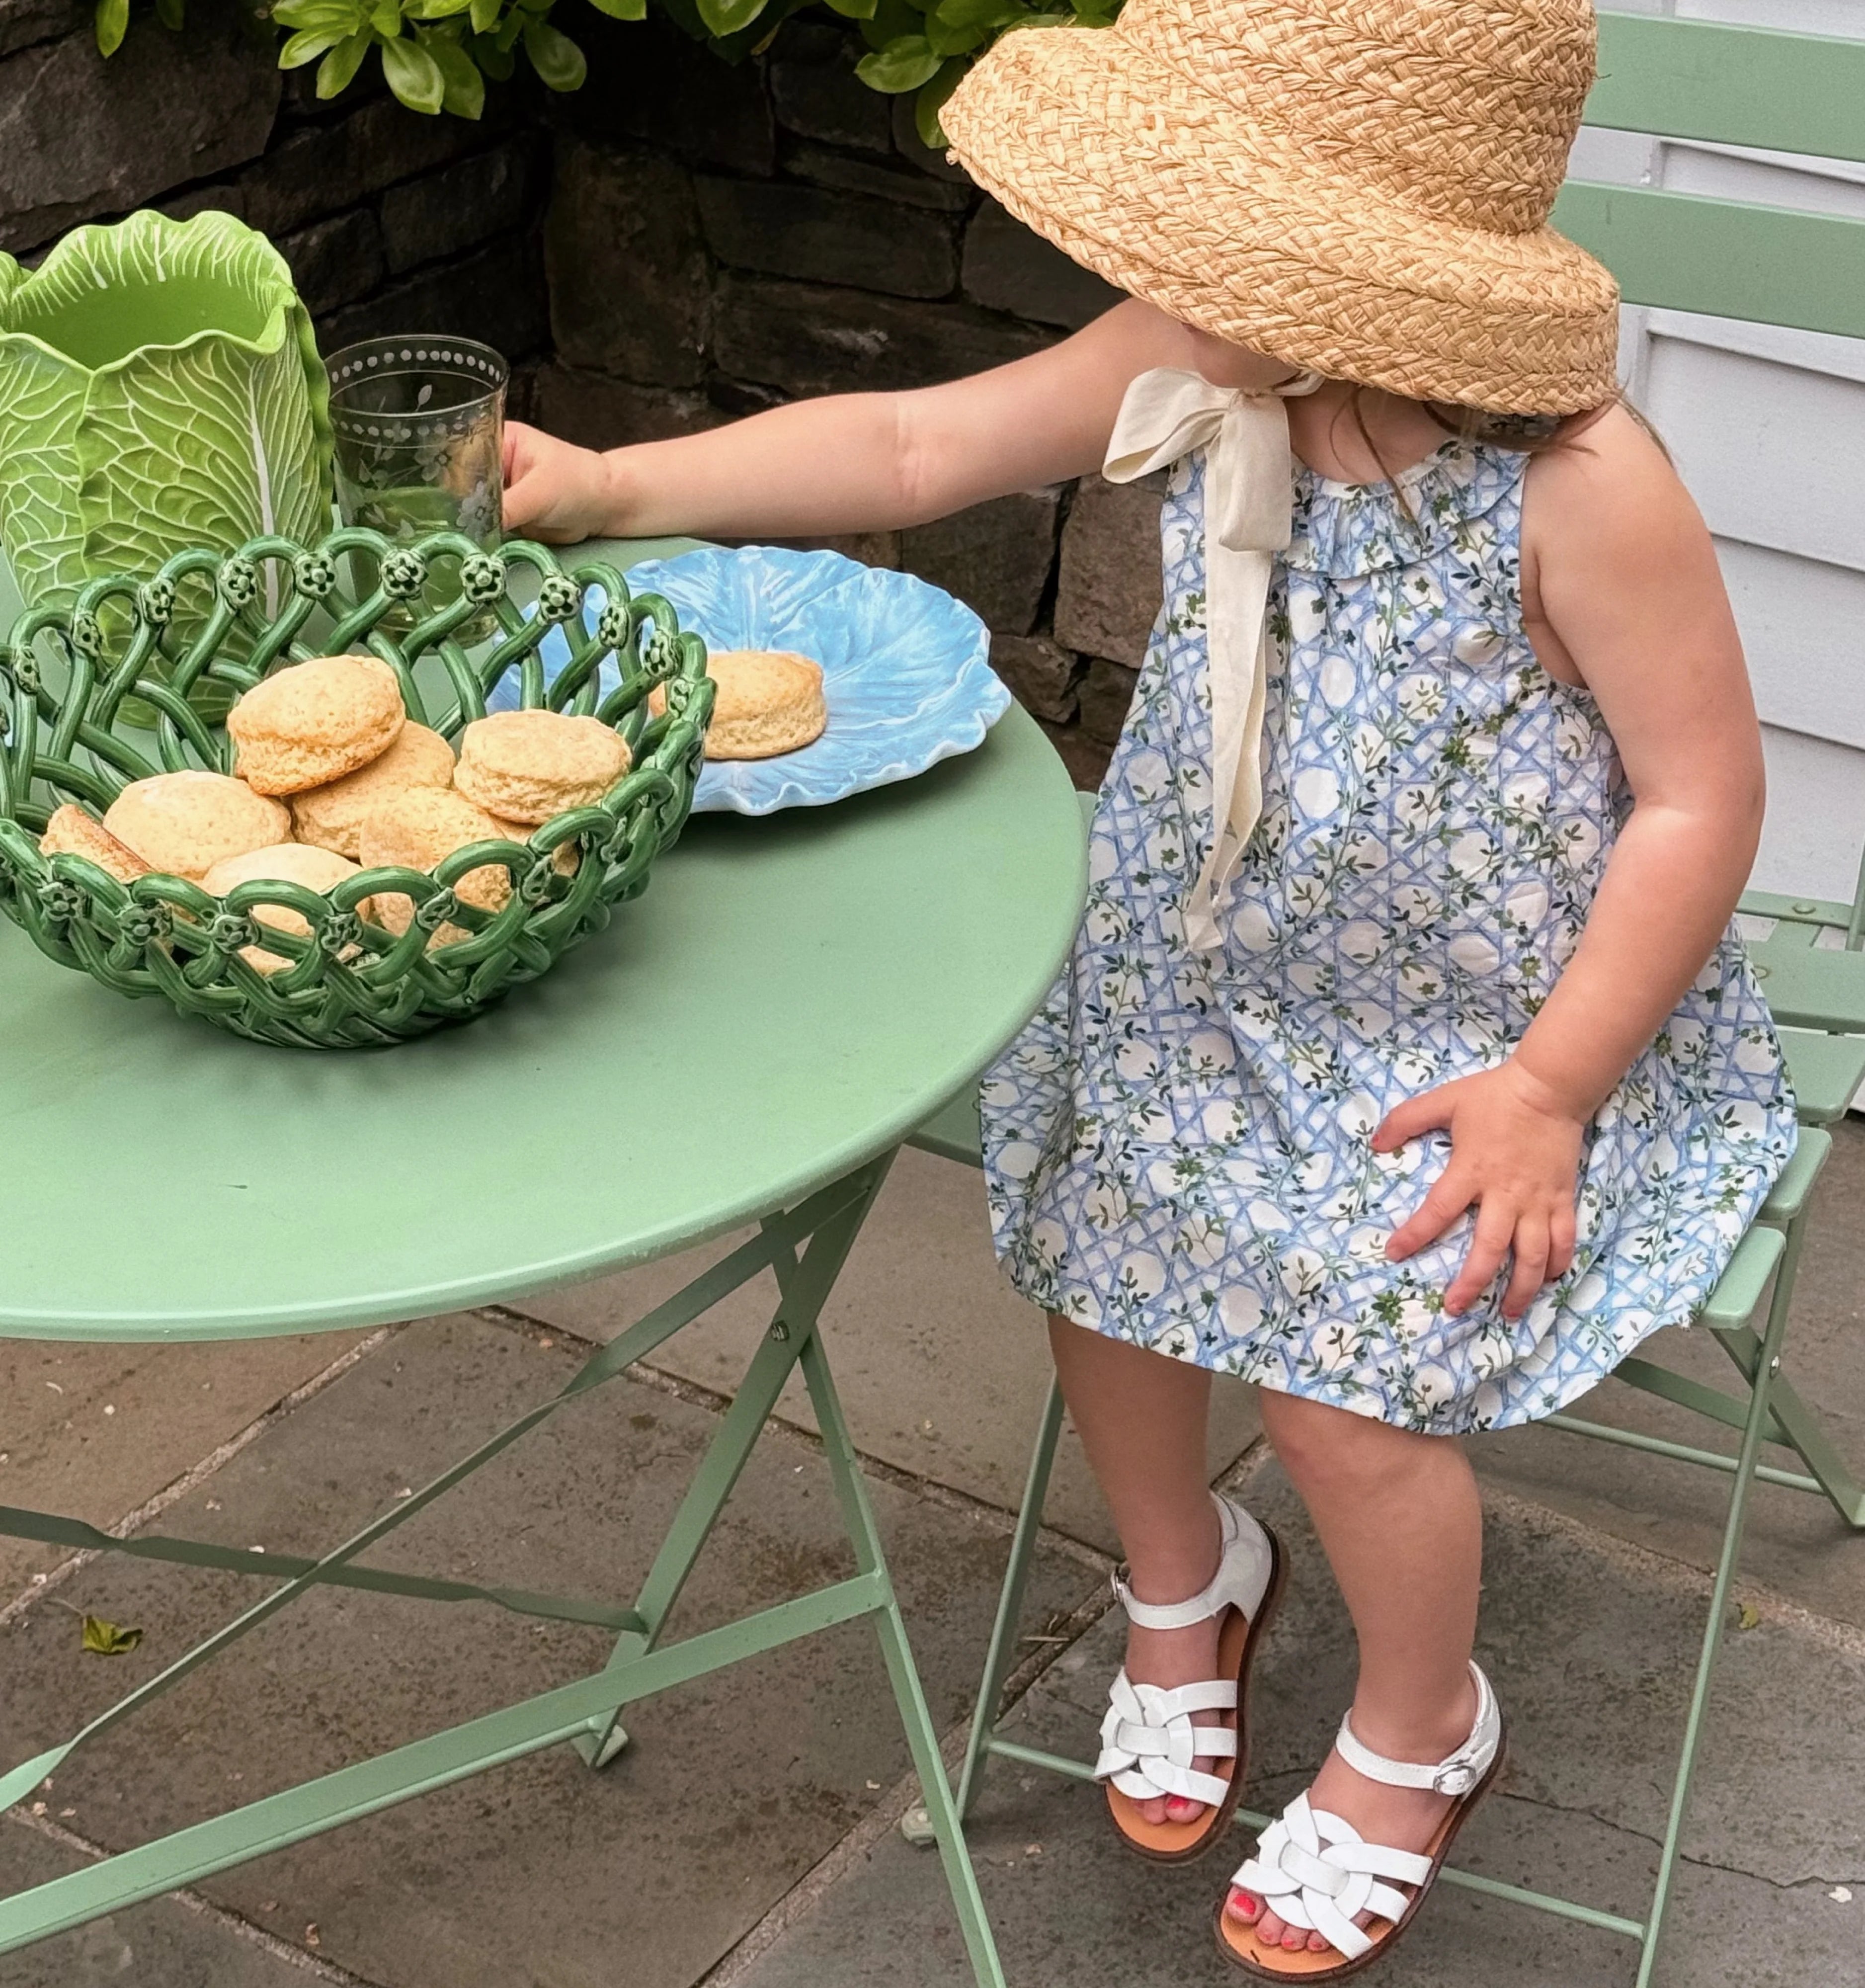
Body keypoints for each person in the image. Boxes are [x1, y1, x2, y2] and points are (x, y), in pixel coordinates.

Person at [499, 0, 1796, 1971]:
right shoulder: (1218, 355)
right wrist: (612, 483)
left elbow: (1701, 801)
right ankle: (1188, 1579)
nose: (1175, 267)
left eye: (1222, 228)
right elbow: (917, 442)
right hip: (1208, 959)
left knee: (1340, 1372)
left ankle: (1424, 1724)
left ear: (1364, 262)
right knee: (1101, 1231)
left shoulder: (1583, 486)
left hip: (1495, 1033)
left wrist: (1552, 1087)